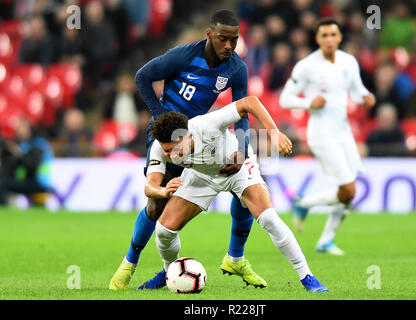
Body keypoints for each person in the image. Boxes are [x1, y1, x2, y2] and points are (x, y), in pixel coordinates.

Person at [109, 10, 265, 290]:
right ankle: (129, 263)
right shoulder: (184, 56)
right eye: (223, 39)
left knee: (244, 189)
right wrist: (158, 116)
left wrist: (242, 148)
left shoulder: (236, 69)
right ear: (209, 34)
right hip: (168, 138)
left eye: (234, 40)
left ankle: (231, 257)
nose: (229, 45)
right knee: (157, 205)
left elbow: (241, 110)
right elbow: (143, 76)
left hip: (198, 139)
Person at [145, 95, 327, 292]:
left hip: (238, 169)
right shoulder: (159, 147)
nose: (171, 156)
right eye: (167, 151)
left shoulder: (207, 124)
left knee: (269, 219)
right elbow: (150, 186)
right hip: (201, 176)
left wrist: (273, 133)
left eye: (174, 149)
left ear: (188, 135)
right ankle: (169, 272)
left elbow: (249, 102)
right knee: (164, 231)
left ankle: (307, 276)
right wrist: (163, 191)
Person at [279, 18, 376, 255]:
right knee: (349, 190)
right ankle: (305, 204)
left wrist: (366, 96)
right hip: (321, 133)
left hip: (344, 132)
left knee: (348, 193)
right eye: (324, 35)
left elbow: (356, 89)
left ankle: (325, 240)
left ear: (340, 37)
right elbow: (285, 99)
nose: (329, 39)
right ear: (318, 39)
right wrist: (309, 102)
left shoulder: (348, 61)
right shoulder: (307, 66)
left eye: (333, 34)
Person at [0, 118, 54, 206]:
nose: (20, 133)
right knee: (3, 181)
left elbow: (32, 166)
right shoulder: (24, 144)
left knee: (3, 184)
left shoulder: (38, 144)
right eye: (18, 130)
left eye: (22, 130)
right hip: (29, 180)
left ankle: (5, 209)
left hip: (39, 182)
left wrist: (18, 154)